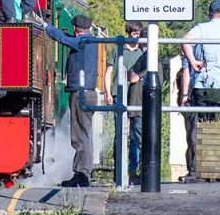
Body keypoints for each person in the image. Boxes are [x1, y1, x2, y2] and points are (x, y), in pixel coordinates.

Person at [180, 0, 220, 182]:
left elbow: (185, 41)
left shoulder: (202, 28)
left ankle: (199, 169)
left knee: (200, 126)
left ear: (209, 13)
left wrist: (193, 62)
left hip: (205, 84)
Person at [44, 14, 101, 187]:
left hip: (81, 93)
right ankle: (83, 172)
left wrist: (46, 27)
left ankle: (81, 174)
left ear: (76, 30)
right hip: (87, 92)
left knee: (79, 135)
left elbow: (63, 39)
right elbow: (69, 39)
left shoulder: (83, 42)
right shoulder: (90, 41)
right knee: (85, 133)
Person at [106, 21, 145, 183]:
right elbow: (108, 72)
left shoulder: (142, 53)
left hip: (136, 97)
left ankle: (134, 169)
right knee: (120, 134)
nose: (136, 36)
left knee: (137, 134)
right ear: (129, 33)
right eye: (134, 33)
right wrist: (108, 93)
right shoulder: (118, 51)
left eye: (138, 34)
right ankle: (119, 170)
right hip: (119, 94)